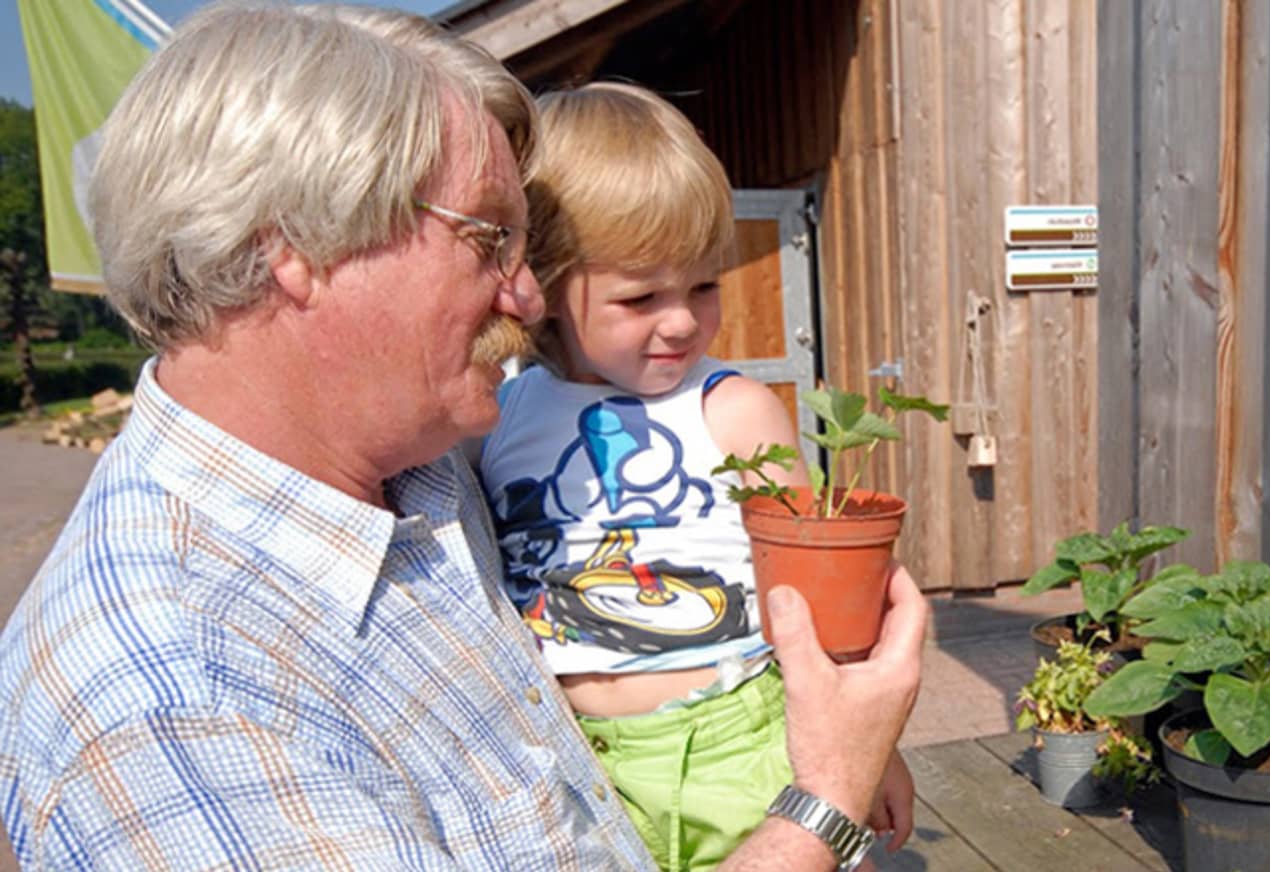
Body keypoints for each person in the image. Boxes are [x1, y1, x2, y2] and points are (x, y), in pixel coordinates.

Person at [0, 5, 926, 871]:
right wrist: (824, 800)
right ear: (293, 252)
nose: (528, 299)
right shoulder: (175, 711)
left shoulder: (412, 463)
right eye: (491, 240)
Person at [475, 82, 913, 871]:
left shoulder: (732, 410)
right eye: (640, 296)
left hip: (740, 740)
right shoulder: (497, 415)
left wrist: (870, 752)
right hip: (578, 759)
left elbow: (816, 595)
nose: (681, 320)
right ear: (540, 283)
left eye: (704, 285)